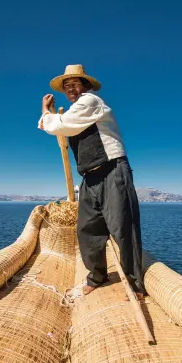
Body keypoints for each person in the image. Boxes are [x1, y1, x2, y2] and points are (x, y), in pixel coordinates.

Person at [38, 64, 145, 300]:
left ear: (85, 86)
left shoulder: (90, 102)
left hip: (112, 171)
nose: (71, 89)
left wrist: (46, 111)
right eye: (67, 87)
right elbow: (63, 126)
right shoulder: (75, 113)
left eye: (75, 84)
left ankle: (135, 283)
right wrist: (54, 118)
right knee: (88, 229)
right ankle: (97, 277)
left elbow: (60, 125)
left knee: (122, 228)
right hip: (89, 177)